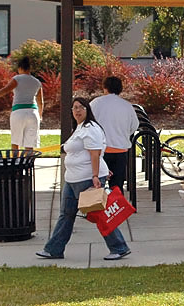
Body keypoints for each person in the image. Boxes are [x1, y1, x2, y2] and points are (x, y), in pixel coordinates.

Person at [36, 97, 130, 260]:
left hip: (87, 179)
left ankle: (119, 247)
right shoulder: (79, 128)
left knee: (98, 213)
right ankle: (54, 249)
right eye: (74, 108)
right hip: (73, 180)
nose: (77, 111)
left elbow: (95, 153)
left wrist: (96, 175)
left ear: (88, 110)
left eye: (81, 107)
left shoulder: (90, 128)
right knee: (66, 214)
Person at [0, 56, 43, 154]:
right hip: (33, 113)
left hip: (18, 112)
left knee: (15, 142)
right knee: (29, 144)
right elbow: (41, 102)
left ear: (20, 68)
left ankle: (16, 166)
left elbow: (4, 90)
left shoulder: (17, 79)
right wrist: (40, 115)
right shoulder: (37, 82)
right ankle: (28, 166)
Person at [90, 76, 139, 194]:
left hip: (100, 151)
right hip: (120, 150)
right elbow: (134, 125)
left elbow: (89, 124)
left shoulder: (95, 103)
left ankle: (99, 211)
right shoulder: (127, 106)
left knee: (97, 186)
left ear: (104, 87)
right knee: (117, 187)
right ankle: (116, 210)